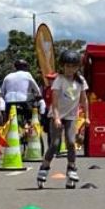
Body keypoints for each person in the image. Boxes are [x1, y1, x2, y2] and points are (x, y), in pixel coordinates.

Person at [37, 50, 89, 189]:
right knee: (55, 144)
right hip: (57, 115)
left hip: (71, 116)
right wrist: (56, 118)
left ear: (77, 67)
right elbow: (54, 103)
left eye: (73, 66)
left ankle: (72, 168)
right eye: (67, 66)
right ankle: (44, 166)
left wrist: (87, 117)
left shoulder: (81, 81)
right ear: (63, 66)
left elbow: (84, 100)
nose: (70, 69)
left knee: (71, 142)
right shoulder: (59, 80)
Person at [2, 59, 42, 128]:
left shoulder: (8, 76)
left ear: (15, 67)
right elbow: (36, 88)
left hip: (9, 101)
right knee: (29, 116)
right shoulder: (27, 74)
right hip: (23, 100)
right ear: (25, 67)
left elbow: (2, 91)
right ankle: (27, 126)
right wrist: (39, 94)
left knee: (8, 120)